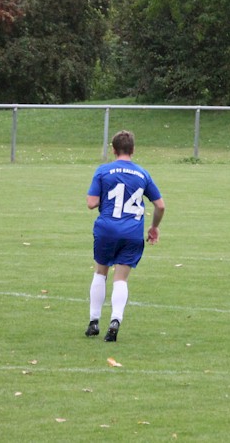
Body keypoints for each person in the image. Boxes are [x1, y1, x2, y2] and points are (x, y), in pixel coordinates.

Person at [85, 130, 165, 342]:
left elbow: (91, 203)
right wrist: (154, 227)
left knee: (100, 272)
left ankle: (94, 321)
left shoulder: (103, 171)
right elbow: (160, 206)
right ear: (133, 150)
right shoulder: (143, 174)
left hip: (106, 229)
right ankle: (116, 320)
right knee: (121, 278)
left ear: (113, 149)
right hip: (132, 232)